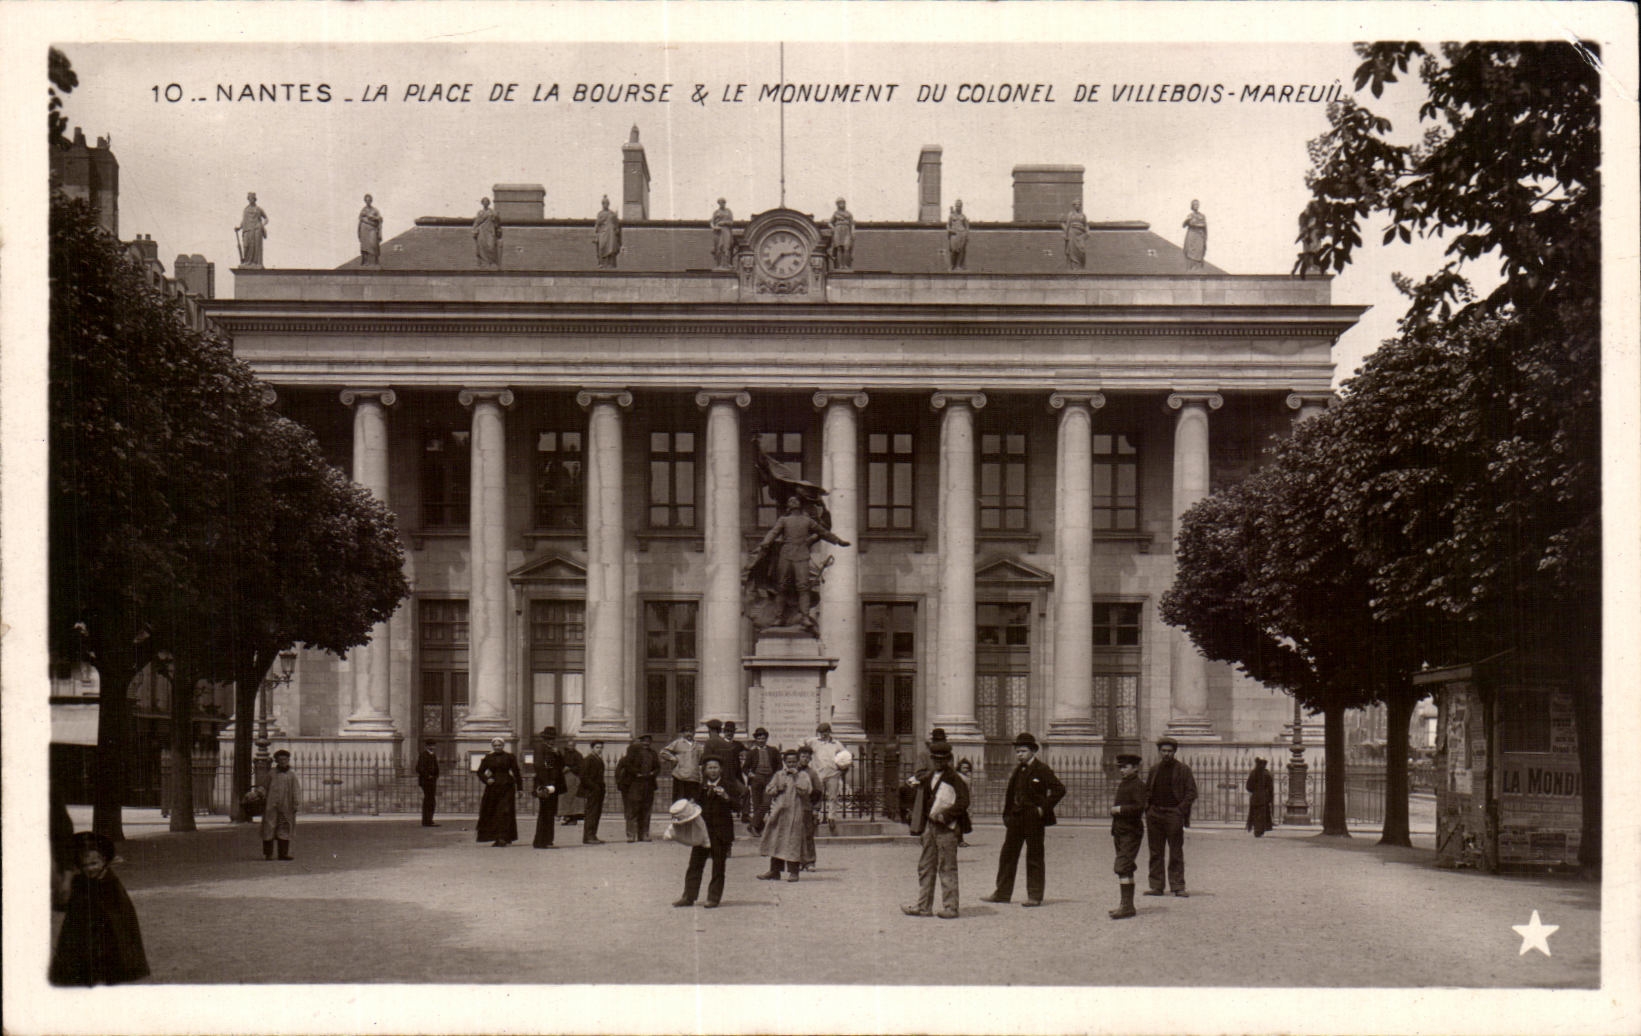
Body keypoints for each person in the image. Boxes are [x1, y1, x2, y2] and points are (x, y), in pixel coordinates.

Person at [48, 832, 150, 986]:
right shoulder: (78, 882)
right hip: (82, 933)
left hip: (107, 933)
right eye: (85, 865)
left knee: (110, 966)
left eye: (94, 863)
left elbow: (119, 913)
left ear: (104, 861)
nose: (90, 869)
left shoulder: (110, 882)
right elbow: (64, 905)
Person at [979, 732, 1065, 908]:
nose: (1019, 754)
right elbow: (1011, 794)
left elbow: (1059, 789)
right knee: (1007, 856)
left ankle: (1034, 895)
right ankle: (1002, 893)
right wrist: (1007, 814)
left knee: (1034, 856)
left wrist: (1043, 808)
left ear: (1033, 751)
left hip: (1033, 819)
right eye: (1017, 751)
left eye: (1023, 751)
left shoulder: (1042, 769)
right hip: (1016, 819)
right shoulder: (1018, 770)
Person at [752, 495, 850, 632]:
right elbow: (773, 533)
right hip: (785, 555)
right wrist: (765, 543)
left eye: (795, 500)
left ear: (800, 504)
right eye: (790, 500)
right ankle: (779, 617)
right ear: (788, 505)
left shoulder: (807, 521)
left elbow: (823, 532)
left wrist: (838, 541)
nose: (792, 501)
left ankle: (805, 617)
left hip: (802, 555)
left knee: (803, 587)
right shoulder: (783, 520)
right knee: (781, 587)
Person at [901, 740, 968, 919]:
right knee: (926, 866)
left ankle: (951, 907)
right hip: (930, 826)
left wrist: (946, 815)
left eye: (942, 759)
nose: (938, 762)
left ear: (948, 759)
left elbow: (963, 802)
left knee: (947, 867)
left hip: (947, 827)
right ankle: (924, 906)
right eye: (935, 759)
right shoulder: (930, 776)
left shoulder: (955, 778)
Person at [673, 758, 747, 908]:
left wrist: (726, 797)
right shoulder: (701, 787)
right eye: (710, 768)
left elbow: (738, 806)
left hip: (721, 833)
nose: (713, 771)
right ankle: (688, 897)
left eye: (715, 768)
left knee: (718, 866)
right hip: (703, 832)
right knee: (695, 864)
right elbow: (694, 807)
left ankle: (713, 898)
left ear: (721, 770)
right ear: (705, 771)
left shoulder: (729, 786)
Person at [1144, 736, 1199, 896]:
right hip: (1155, 814)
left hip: (1173, 814)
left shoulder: (1183, 770)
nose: (1166, 754)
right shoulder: (1154, 769)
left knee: (1175, 851)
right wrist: (1149, 809)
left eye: (1169, 751)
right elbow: (1147, 790)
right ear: (1159, 752)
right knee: (1155, 851)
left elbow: (1191, 792)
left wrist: (1180, 810)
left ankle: (1177, 886)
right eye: (1163, 751)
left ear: (1174, 752)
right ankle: (1156, 885)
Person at [757, 749, 816, 881]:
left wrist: (795, 779)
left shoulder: (803, 775)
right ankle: (774, 871)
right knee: (777, 839)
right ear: (784, 762)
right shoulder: (779, 774)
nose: (791, 764)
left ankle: (794, 871)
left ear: (797, 762)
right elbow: (769, 789)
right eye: (788, 762)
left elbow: (806, 791)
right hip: (780, 812)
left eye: (794, 762)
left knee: (793, 841)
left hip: (795, 812)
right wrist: (777, 788)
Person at [1108, 753, 1148, 920]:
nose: (1122, 770)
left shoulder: (1137, 785)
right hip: (1120, 830)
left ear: (1135, 768)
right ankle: (1127, 905)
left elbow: (1140, 807)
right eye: (1120, 767)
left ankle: (1126, 906)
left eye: (1125, 767)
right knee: (1127, 866)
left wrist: (1120, 809)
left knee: (1122, 866)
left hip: (1131, 831)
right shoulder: (1125, 783)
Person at [803, 722, 850, 834]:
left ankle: (831, 817)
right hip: (818, 773)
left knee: (833, 796)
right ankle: (816, 816)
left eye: (825, 732)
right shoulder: (814, 742)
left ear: (829, 732)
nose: (823, 734)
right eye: (821, 732)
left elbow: (845, 756)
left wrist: (842, 767)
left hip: (833, 773)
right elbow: (803, 747)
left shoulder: (836, 744)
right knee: (817, 795)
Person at [475, 737, 522, 847]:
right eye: (495, 746)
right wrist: (487, 780)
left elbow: (516, 772)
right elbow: (480, 772)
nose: (497, 747)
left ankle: (504, 837)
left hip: (507, 787)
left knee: (505, 811)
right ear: (492, 746)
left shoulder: (510, 757)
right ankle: (496, 837)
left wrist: (520, 788)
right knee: (494, 812)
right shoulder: (488, 757)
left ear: (503, 746)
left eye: (499, 745)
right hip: (493, 788)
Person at [615, 734, 660, 842]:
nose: (646, 743)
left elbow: (658, 767)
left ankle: (644, 834)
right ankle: (631, 834)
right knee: (633, 810)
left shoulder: (653, 753)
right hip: (635, 784)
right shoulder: (632, 753)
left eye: (648, 741)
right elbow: (627, 765)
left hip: (649, 784)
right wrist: (637, 773)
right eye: (643, 741)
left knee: (646, 810)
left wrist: (653, 773)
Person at [260, 749, 301, 861]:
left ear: (288, 760)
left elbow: (296, 790)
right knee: (269, 828)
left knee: (285, 828)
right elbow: (264, 787)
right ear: (276, 761)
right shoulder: (272, 774)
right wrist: (260, 794)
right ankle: (268, 854)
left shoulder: (292, 775)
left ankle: (283, 854)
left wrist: (296, 803)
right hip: (271, 805)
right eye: (280, 759)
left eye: (285, 759)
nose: (283, 761)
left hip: (286, 806)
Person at [741, 727, 781, 834]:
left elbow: (779, 766)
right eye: (759, 738)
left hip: (769, 779)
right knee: (757, 804)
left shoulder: (773, 751)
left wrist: (775, 777)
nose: (761, 740)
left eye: (763, 738)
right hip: (756, 779)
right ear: (756, 739)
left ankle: (753, 825)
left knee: (767, 803)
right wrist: (750, 774)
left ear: (766, 738)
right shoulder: (751, 752)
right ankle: (758, 828)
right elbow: (745, 767)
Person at [532, 726, 566, 849]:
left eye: (552, 739)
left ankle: (547, 840)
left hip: (553, 784)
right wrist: (547, 784)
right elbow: (540, 767)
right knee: (545, 813)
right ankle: (542, 841)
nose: (551, 741)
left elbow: (561, 766)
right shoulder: (540, 748)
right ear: (544, 739)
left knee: (550, 813)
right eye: (548, 739)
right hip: (546, 785)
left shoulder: (553, 750)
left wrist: (558, 754)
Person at [661, 722, 703, 805]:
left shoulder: (698, 745)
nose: (689, 734)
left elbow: (701, 760)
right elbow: (663, 752)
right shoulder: (678, 743)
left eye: (691, 731)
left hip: (694, 777)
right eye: (686, 732)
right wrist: (672, 758)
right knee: (679, 800)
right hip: (680, 776)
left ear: (694, 733)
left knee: (692, 801)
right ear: (683, 733)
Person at [580, 741, 607, 844]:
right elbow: (583, 776)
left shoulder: (598, 759)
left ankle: (592, 835)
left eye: (601, 748)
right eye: (597, 747)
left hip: (598, 790)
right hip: (592, 790)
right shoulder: (588, 759)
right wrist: (594, 787)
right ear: (592, 748)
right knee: (591, 813)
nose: (599, 749)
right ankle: (589, 836)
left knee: (596, 813)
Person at [236, 191, 268, 268]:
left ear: (254, 199)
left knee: (256, 247)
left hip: (256, 229)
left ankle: (256, 263)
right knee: (246, 246)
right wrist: (239, 227)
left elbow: (266, 218)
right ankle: (247, 262)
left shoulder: (259, 209)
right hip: (247, 230)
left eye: (252, 198)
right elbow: (244, 220)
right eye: (249, 198)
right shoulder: (246, 210)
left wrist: (262, 225)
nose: (251, 200)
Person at [1245, 756, 1275, 837]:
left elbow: (1248, 787)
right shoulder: (1267, 774)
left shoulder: (1253, 773)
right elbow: (1271, 788)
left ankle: (1257, 829)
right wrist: (1270, 797)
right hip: (1264, 797)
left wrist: (1254, 791)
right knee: (1263, 814)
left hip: (1255, 797)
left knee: (1255, 814)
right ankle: (1261, 829)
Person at [560, 739, 585, 827]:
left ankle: (573, 818)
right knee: (565, 799)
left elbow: (581, 767)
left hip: (573, 779)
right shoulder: (563, 754)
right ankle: (566, 817)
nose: (571, 747)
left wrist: (570, 768)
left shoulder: (578, 755)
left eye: (572, 745)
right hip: (564, 779)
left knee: (573, 799)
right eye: (569, 745)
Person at [416, 738, 441, 827]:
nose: (432, 747)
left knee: (431, 800)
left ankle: (429, 820)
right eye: (430, 745)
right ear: (426, 746)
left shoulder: (432, 755)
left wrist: (436, 775)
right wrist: (428, 776)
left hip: (432, 780)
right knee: (428, 800)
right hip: (426, 781)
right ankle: (427, 820)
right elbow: (419, 768)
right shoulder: (423, 755)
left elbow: (436, 767)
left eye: (433, 745)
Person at [593, 194, 622, 269]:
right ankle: (602, 263)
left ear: (608, 204)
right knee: (602, 248)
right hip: (602, 234)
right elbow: (597, 225)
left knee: (611, 248)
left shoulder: (612, 214)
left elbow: (616, 226)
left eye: (606, 203)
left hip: (611, 235)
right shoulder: (600, 214)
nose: (604, 205)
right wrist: (595, 235)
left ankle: (610, 264)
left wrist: (616, 230)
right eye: (603, 203)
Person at [473, 196, 502, 268]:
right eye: (484, 202)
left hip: (490, 232)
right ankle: (484, 264)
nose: (485, 203)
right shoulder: (480, 213)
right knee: (482, 247)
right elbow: (476, 223)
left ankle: (491, 263)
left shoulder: (493, 213)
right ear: (482, 203)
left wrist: (498, 228)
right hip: (482, 232)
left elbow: (497, 222)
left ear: (489, 203)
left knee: (491, 246)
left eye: (487, 202)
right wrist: (474, 230)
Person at [954, 757, 976, 847]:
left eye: (967, 768)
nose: (966, 769)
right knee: (959, 821)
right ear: (959, 768)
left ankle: (959, 839)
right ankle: (959, 840)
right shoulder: (958, 777)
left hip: (967, 799)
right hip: (960, 801)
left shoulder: (967, 777)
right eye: (964, 767)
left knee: (962, 821)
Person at [828, 197, 855, 270]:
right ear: (837, 204)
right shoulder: (835, 213)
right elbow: (830, 223)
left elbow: (852, 224)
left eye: (843, 202)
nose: (842, 204)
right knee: (839, 247)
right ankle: (839, 266)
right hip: (838, 230)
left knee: (846, 247)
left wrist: (852, 231)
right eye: (840, 203)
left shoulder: (849, 214)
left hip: (846, 230)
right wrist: (833, 228)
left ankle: (846, 265)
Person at [1181, 199, 1207, 271]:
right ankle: (1191, 268)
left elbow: (1204, 226)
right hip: (1192, 234)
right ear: (1192, 206)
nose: (1196, 206)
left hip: (1199, 235)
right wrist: (1187, 220)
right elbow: (1183, 225)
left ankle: (1197, 268)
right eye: (1194, 204)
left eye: (1197, 204)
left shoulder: (1202, 216)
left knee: (1199, 251)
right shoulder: (1190, 215)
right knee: (1190, 250)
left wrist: (1195, 224)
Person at [358, 193, 383, 266]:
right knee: (365, 246)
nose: (368, 202)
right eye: (366, 200)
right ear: (365, 201)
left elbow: (380, 219)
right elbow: (360, 219)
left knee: (373, 244)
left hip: (372, 229)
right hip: (364, 230)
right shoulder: (363, 210)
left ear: (371, 201)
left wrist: (372, 217)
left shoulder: (375, 210)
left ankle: (374, 262)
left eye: (369, 200)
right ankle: (366, 262)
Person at [1062, 200, 1088, 270]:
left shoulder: (1083, 215)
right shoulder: (1071, 214)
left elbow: (1086, 225)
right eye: (1076, 204)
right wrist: (1066, 234)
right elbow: (1067, 225)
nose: (1078, 206)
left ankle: (1081, 266)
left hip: (1081, 234)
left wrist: (1087, 232)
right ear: (1073, 206)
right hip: (1072, 233)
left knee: (1082, 249)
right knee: (1072, 250)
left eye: (1079, 204)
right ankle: (1074, 266)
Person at [710, 198, 735, 268]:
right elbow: (711, 222)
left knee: (727, 246)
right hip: (718, 231)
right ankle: (719, 264)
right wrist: (714, 227)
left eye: (723, 202)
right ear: (718, 203)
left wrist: (723, 222)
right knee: (719, 247)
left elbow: (731, 222)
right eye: (720, 203)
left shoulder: (728, 211)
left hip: (726, 230)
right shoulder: (716, 212)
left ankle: (727, 263)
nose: (722, 204)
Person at [946, 199, 969, 271]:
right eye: (957, 206)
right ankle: (952, 265)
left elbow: (967, 226)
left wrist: (966, 235)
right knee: (953, 250)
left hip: (961, 234)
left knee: (961, 250)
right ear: (955, 206)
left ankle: (959, 266)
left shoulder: (963, 217)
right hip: (954, 234)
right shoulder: (951, 216)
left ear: (961, 207)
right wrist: (950, 230)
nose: (958, 207)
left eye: (960, 206)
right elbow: (948, 225)